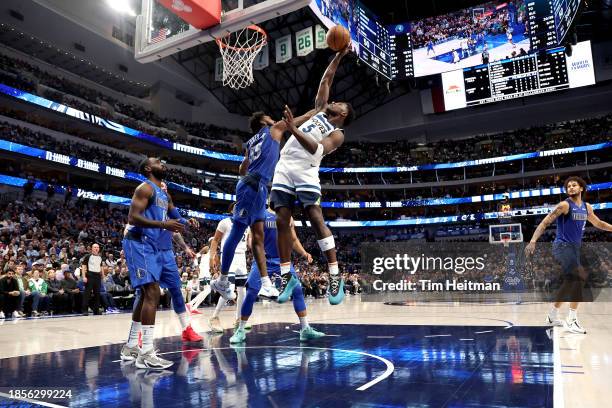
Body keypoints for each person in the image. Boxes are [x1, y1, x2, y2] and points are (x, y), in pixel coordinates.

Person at [271, 46, 354, 306]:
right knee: (281, 220)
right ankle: (287, 275)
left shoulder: (338, 134)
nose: (334, 101)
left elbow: (318, 149)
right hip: (285, 164)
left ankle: (334, 273)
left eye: (339, 104)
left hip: (307, 168)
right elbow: (326, 78)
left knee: (315, 216)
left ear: (342, 114)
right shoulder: (319, 109)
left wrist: (293, 129)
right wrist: (339, 56)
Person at [210, 109, 315, 304]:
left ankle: (266, 283)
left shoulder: (251, 142)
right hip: (253, 185)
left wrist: (251, 163)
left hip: (256, 187)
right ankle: (223, 280)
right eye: (269, 117)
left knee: (258, 236)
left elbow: (242, 168)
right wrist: (319, 110)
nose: (273, 118)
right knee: (238, 228)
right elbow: (299, 120)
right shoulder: (272, 129)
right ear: (263, 121)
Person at [119, 157, 199, 370]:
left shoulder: (163, 193)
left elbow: (173, 215)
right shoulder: (145, 188)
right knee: (152, 293)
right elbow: (133, 217)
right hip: (138, 241)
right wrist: (164, 224)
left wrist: (185, 221)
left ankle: (130, 347)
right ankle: (145, 352)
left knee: (147, 294)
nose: (163, 163)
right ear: (148, 168)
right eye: (158, 161)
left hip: (151, 244)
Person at [525, 176, 612, 334]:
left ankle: (552, 315)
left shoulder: (587, 207)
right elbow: (545, 222)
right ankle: (571, 320)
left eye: (574, 185)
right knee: (579, 277)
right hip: (562, 246)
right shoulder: (564, 205)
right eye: (568, 186)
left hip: (574, 248)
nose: (570, 187)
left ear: (581, 188)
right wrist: (533, 240)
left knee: (570, 282)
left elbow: (599, 224)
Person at [230, 208, 325, 344]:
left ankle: (305, 329)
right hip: (263, 261)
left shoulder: (288, 216)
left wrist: (304, 253)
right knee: (251, 291)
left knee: (297, 290)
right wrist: (253, 241)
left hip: (282, 261)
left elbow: (293, 239)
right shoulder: (260, 214)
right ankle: (240, 330)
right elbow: (252, 242)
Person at [208, 205, 251, 332]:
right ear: (231, 210)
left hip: (242, 258)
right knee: (228, 289)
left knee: (242, 291)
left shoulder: (247, 225)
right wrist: (212, 257)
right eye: (236, 207)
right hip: (229, 257)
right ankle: (214, 318)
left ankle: (239, 319)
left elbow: (249, 243)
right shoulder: (225, 222)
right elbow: (215, 240)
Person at [81, 243, 104, 316]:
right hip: (90, 275)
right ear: (92, 248)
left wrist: (103, 276)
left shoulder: (100, 257)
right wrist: (84, 276)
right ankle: (85, 310)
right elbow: (84, 266)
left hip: (97, 276)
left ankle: (96, 310)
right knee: (87, 293)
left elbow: (101, 267)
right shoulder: (88, 256)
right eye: (95, 247)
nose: (96, 248)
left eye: (97, 247)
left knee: (97, 294)